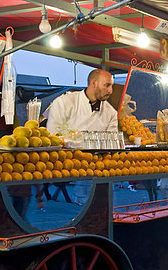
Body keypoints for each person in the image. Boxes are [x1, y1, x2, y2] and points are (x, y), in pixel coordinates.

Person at [47, 69, 118, 204]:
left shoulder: (111, 112)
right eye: (107, 85)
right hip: (67, 171)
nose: (110, 91)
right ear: (94, 83)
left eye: (111, 86)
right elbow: (52, 137)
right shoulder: (64, 103)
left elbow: (112, 142)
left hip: (100, 174)